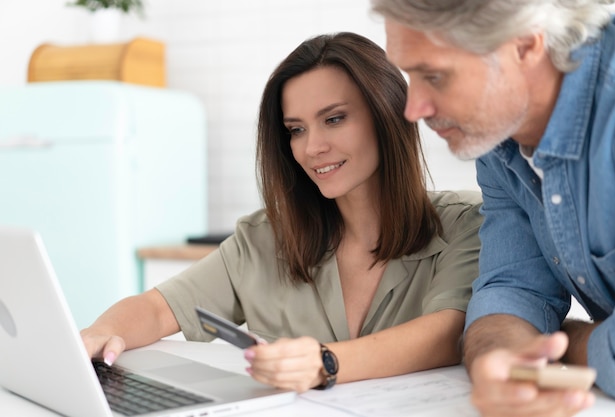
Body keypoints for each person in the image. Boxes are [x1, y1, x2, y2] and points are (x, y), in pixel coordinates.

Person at [80, 31, 482, 393]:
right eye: (296, 129)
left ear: (388, 114)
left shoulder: (466, 223)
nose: (312, 148)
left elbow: (448, 333)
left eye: (334, 119)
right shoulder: (264, 239)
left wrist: (324, 363)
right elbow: (156, 308)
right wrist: (103, 332)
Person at [371, 0, 615, 415]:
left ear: (525, 46)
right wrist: (500, 359)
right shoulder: (500, 139)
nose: (413, 110)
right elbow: (512, 287)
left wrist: (567, 340)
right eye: (409, 74)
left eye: (434, 76)